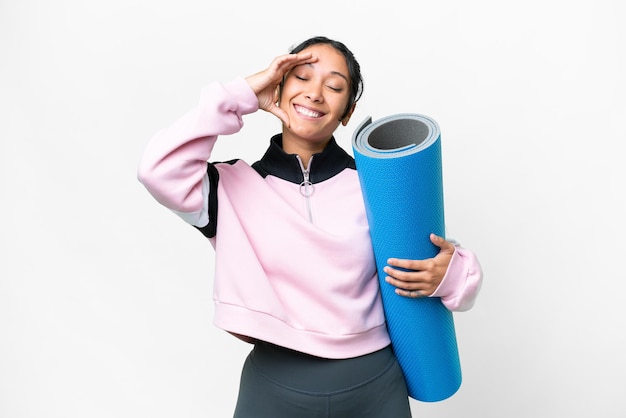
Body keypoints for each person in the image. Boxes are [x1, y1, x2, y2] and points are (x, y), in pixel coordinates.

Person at [138, 36, 482, 418]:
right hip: (274, 386)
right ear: (278, 88)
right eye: (301, 77)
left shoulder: (375, 186)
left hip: (375, 385)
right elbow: (157, 170)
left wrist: (449, 274)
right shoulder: (230, 188)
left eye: (334, 86)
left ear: (348, 111)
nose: (316, 93)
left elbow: (446, 265)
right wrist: (240, 95)